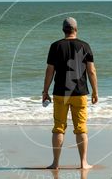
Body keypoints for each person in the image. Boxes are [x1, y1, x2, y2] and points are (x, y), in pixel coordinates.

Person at [42, 17, 98, 169]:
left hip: (60, 92)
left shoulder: (55, 46)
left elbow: (49, 71)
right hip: (80, 93)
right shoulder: (85, 46)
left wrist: (45, 90)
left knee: (58, 127)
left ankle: (55, 163)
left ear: (63, 30)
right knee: (81, 127)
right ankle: (83, 163)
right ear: (76, 29)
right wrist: (95, 91)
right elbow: (91, 71)